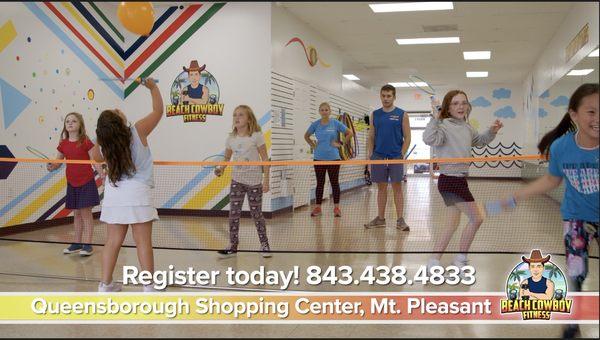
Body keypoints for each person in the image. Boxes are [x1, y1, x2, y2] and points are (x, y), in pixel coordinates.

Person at [490, 83, 598, 338]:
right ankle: (572, 322)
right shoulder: (561, 147)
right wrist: (516, 196)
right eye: (591, 112)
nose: (597, 118)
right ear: (574, 115)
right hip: (576, 219)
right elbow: (552, 180)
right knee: (576, 273)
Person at [91, 78, 163, 292]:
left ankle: (105, 284)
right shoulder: (138, 130)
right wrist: (152, 87)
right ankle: (148, 286)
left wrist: (102, 137)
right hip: (138, 194)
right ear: (119, 121)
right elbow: (158, 110)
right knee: (143, 242)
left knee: (113, 241)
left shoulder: (104, 145)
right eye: (116, 111)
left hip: (114, 196)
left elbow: (94, 156)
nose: (119, 110)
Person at [423, 90, 503, 270]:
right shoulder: (442, 125)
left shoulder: (467, 127)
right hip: (449, 180)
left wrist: (492, 131)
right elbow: (428, 138)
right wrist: (435, 118)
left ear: (468, 106)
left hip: (460, 180)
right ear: (448, 108)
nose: (461, 106)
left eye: (463, 103)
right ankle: (460, 260)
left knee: (451, 225)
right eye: (455, 103)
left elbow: (480, 141)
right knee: (477, 217)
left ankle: (433, 261)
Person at [214, 105, 272, 258]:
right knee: (233, 214)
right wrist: (221, 169)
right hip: (237, 181)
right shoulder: (231, 139)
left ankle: (264, 244)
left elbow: (265, 159)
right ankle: (233, 245)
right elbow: (226, 158)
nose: (236, 118)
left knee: (256, 214)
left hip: (254, 182)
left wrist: (266, 180)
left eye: (240, 115)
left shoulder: (256, 136)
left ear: (248, 119)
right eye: (234, 115)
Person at [47, 112, 103, 256]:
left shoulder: (85, 141)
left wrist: (102, 174)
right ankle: (77, 243)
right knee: (76, 214)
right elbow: (57, 163)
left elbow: (94, 160)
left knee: (85, 213)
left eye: (74, 121)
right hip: (72, 183)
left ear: (80, 125)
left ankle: (88, 244)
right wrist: (51, 166)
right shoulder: (63, 144)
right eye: (67, 121)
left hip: (86, 182)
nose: (70, 123)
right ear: (65, 126)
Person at [364, 84, 411, 231]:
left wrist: (401, 154)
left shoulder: (402, 114)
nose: (386, 98)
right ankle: (380, 219)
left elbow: (408, 137)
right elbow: (371, 136)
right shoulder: (374, 115)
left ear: (394, 97)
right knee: (381, 189)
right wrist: (370, 155)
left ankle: (400, 220)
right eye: (383, 95)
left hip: (395, 157)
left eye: (389, 96)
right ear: (380, 96)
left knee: (397, 188)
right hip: (378, 157)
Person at [304, 102, 353, 217]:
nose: (324, 111)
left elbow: (349, 133)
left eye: (326, 110)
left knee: (334, 183)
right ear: (319, 111)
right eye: (322, 110)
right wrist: (313, 145)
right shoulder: (315, 124)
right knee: (319, 183)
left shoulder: (335, 123)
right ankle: (318, 208)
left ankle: (336, 208)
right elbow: (306, 136)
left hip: (334, 159)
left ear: (330, 111)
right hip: (318, 159)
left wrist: (340, 143)